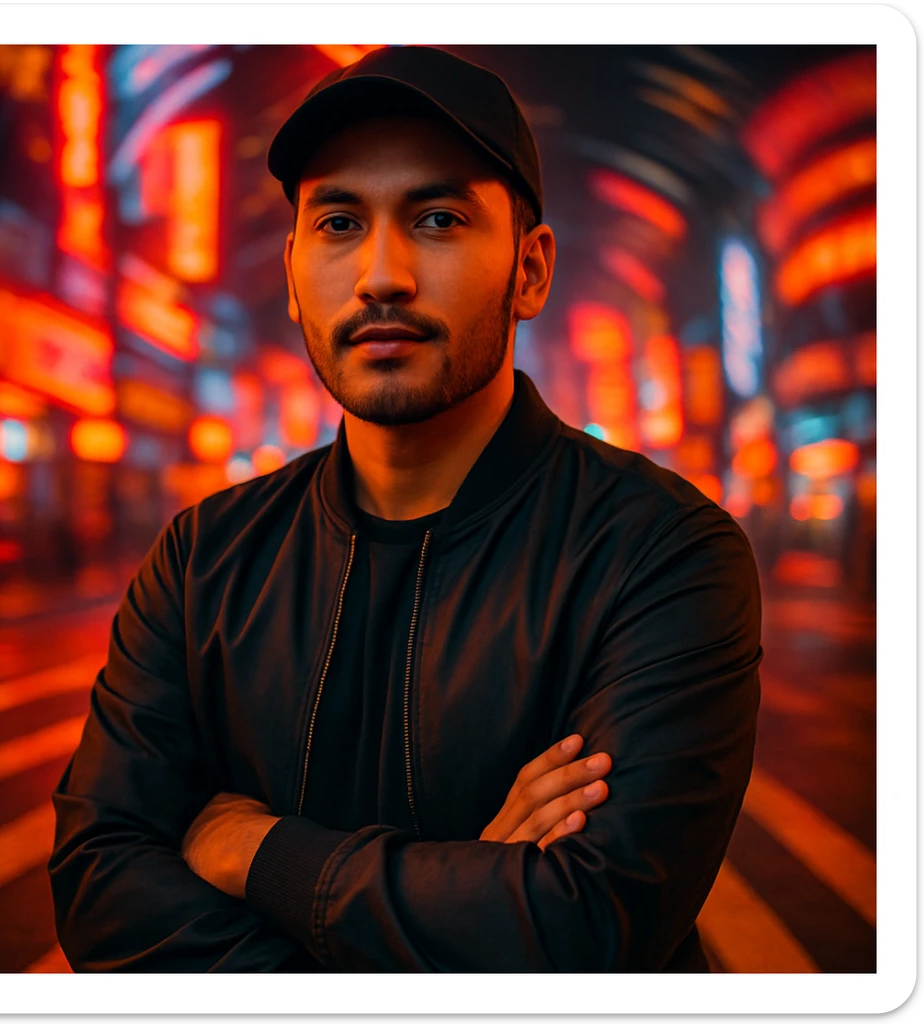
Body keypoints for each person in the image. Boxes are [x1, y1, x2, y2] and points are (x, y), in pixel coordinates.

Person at [49, 45, 762, 973]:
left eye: (437, 219)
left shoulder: (659, 553)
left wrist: (257, 852)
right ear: (295, 277)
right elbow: (99, 888)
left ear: (530, 269)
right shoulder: (204, 560)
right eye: (339, 221)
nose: (381, 274)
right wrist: (472, 895)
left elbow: (587, 927)